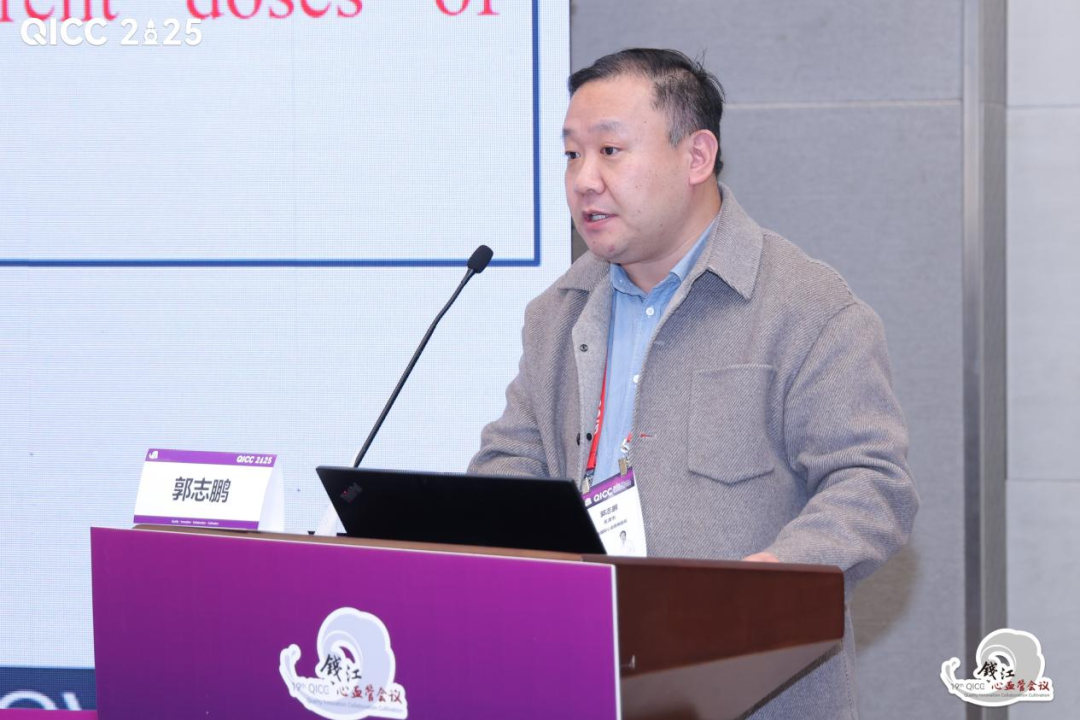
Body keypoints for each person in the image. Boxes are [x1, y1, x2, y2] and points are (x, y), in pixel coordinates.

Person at [468, 48, 918, 718]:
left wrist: (766, 583)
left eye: (610, 151)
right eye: (571, 155)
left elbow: (871, 484)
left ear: (696, 156)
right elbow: (511, 462)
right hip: (581, 680)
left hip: (750, 689)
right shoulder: (557, 314)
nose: (584, 180)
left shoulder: (807, 308)